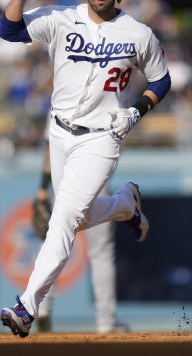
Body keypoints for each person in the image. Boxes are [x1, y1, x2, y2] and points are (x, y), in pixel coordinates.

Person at [0, 0, 171, 338]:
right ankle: (126, 204)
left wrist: (137, 111)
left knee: (62, 220)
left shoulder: (137, 33)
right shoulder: (61, 17)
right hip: (60, 132)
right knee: (78, 216)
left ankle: (27, 307)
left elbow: (161, 81)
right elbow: (8, 32)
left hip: (102, 137)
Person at [32, 135, 129, 333]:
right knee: (101, 253)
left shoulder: (60, 102)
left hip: (65, 182)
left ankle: (42, 308)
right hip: (96, 180)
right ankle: (106, 322)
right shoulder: (111, 102)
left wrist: (42, 189)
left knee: (55, 242)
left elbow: (51, 146)